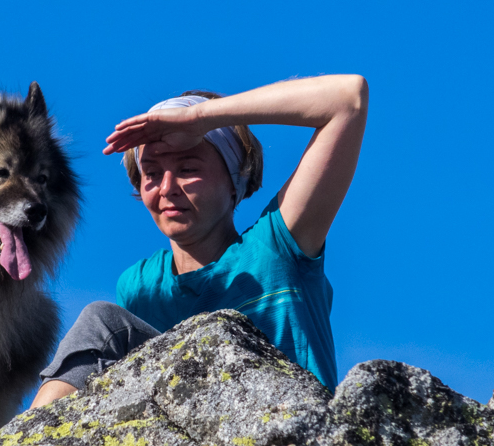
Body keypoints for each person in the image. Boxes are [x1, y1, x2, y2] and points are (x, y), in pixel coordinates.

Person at [31, 75, 368, 409]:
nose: (166, 188)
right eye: (151, 173)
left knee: (103, 322)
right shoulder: (140, 287)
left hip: (290, 437)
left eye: (188, 168)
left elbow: (348, 99)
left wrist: (201, 117)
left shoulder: (277, 249)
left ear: (236, 180)